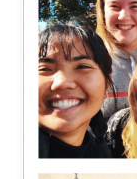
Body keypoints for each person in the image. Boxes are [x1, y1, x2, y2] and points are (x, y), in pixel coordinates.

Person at [39, 20, 114, 158]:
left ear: (107, 86)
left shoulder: (102, 153)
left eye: (82, 67)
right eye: (44, 69)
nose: (62, 82)